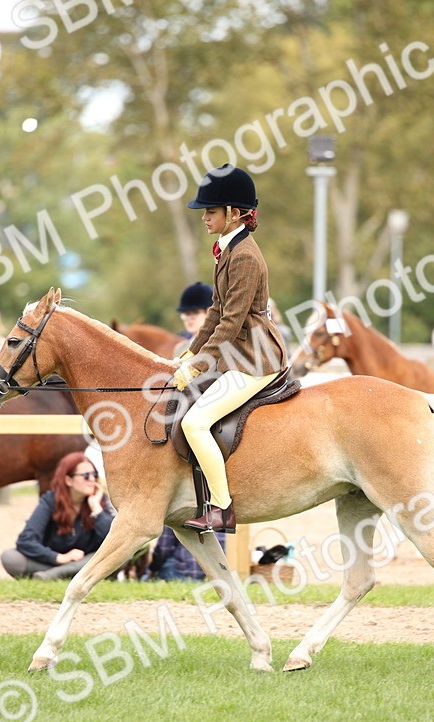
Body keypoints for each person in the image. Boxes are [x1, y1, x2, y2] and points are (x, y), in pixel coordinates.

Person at [172, 164, 288, 534]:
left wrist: (197, 367)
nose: (205, 218)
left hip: (255, 357)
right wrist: (190, 352)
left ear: (234, 214)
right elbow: (215, 312)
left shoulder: (245, 257)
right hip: (239, 351)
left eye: (211, 211)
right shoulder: (228, 249)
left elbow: (231, 322)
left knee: (195, 422)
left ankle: (221, 508)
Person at [0, 452, 114, 580]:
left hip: (88, 564)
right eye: (86, 476)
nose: (92, 480)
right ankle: (65, 574)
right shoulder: (50, 501)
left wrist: (96, 510)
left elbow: (112, 541)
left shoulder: (99, 501)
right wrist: (59, 558)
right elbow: (26, 540)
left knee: (117, 554)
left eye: (95, 474)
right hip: (51, 564)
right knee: (10, 557)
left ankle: (56, 575)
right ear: (68, 480)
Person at [148, 526, 224, 581]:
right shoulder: (223, 512)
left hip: (184, 572)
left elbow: (163, 549)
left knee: (148, 574)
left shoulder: (177, 511)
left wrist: (152, 569)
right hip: (216, 573)